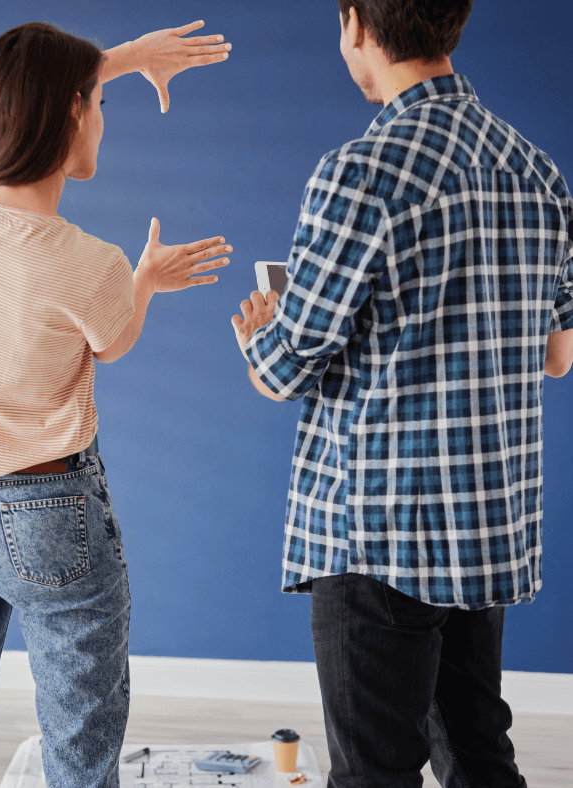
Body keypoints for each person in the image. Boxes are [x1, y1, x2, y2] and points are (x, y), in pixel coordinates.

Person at [231, 2, 573, 786]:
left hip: (380, 536)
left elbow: (284, 372)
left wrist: (260, 329)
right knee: (481, 754)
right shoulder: (538, 169)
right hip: (489, 523)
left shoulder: (360, 173)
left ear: (356, 23)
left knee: (373, 774)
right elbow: (558, 355)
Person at [0, 20, 233, 788]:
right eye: (101, 101)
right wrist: (144, 279)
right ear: (74, 114)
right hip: (50, 519)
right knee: (80, 762)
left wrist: (113, 62)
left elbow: (11, 105)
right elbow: (113, 344)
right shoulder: (89, 264)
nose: (104, 116)